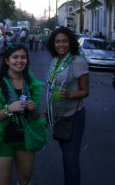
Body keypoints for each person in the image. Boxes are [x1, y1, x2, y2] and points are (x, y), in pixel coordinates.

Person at [0, 42, 47, 185]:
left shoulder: (30, 82)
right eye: (15, 57)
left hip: (25, 139)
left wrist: (33, 109)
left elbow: (36, 117)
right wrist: (9, 109)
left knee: (25, 180)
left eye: (23, 57)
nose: (19, 61)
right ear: (7, 60)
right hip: (3, 140)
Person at [45, 26, 89, 185]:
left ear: (70, 42)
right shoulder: (55, 61)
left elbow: (85, 91)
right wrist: (47, 110)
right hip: (58, 115)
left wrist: (70, 95)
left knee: (71, 158)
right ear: (53, 43)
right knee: (65, 156)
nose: (61, 44)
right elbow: (50, 89)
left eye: (64, 41)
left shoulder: (78, 62)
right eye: (57, 41)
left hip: (74, 115)